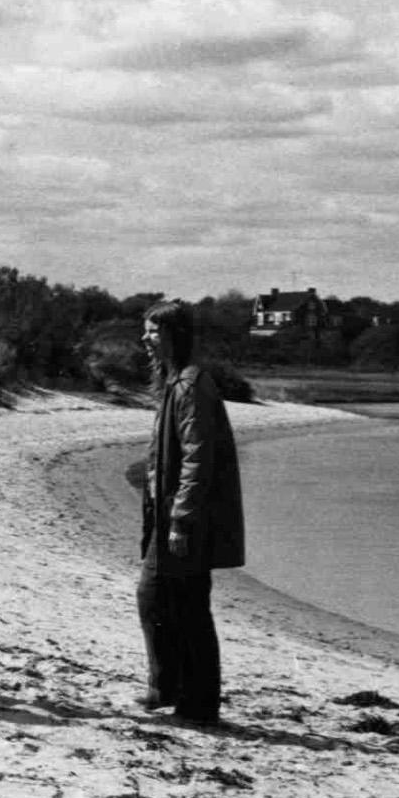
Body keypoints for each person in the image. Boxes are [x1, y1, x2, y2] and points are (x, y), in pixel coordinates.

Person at [136, 299, 243, 723]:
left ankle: (194, 701)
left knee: (181, 604)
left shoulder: (190, 385)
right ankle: (172, 689)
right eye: (144, 331)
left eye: (153, 332)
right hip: (171, 513)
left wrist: (182, 519)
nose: (145, 339)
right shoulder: (176, 381)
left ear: (174, 335)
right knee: (167, 600)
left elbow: (198, 458)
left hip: (185, 517)